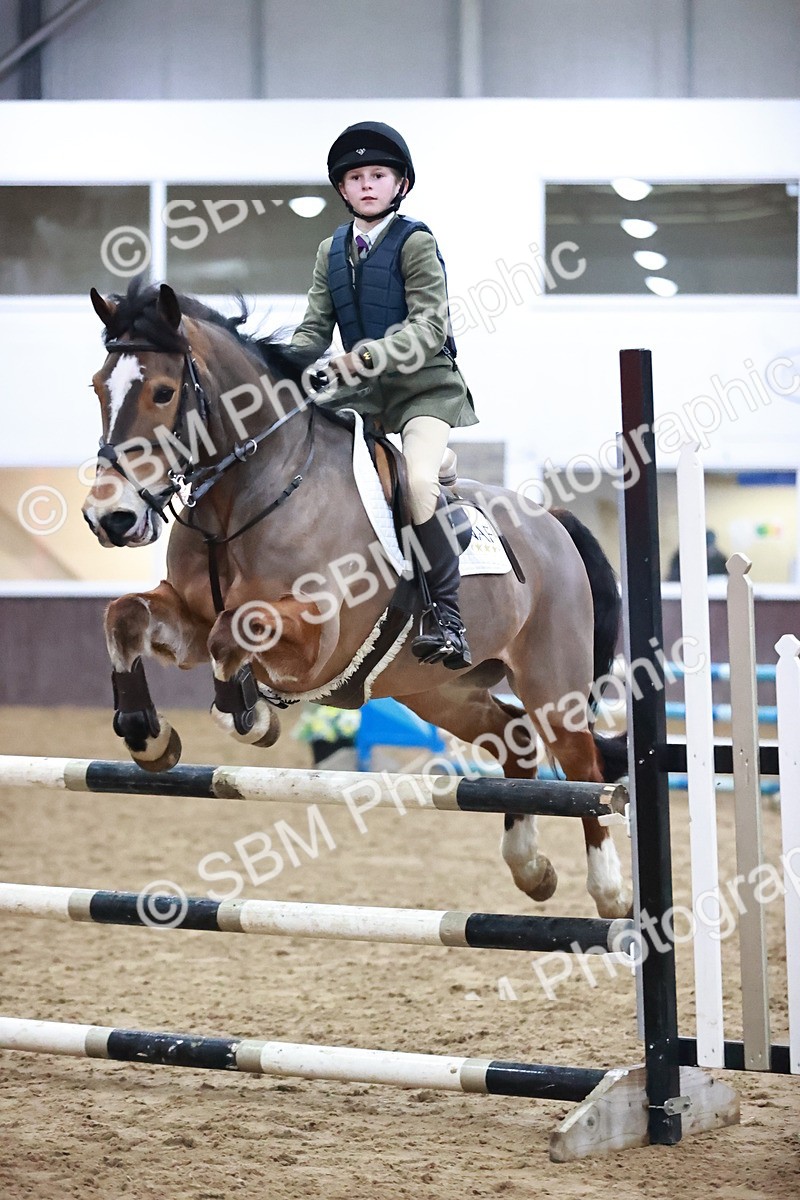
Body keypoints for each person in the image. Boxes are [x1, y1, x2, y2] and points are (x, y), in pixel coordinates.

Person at [289, 121, 477, 670]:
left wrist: (365, 357)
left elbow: (428, 328)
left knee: (417, 483)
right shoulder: (330, 250)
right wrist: (285, 368)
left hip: (424, 391)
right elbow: (314, 327)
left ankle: (446, 616)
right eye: (356, 177)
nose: (367, 184)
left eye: (378, 175)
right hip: (363, 398)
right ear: (342, 189)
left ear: (399, 185)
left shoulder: (416, 242)